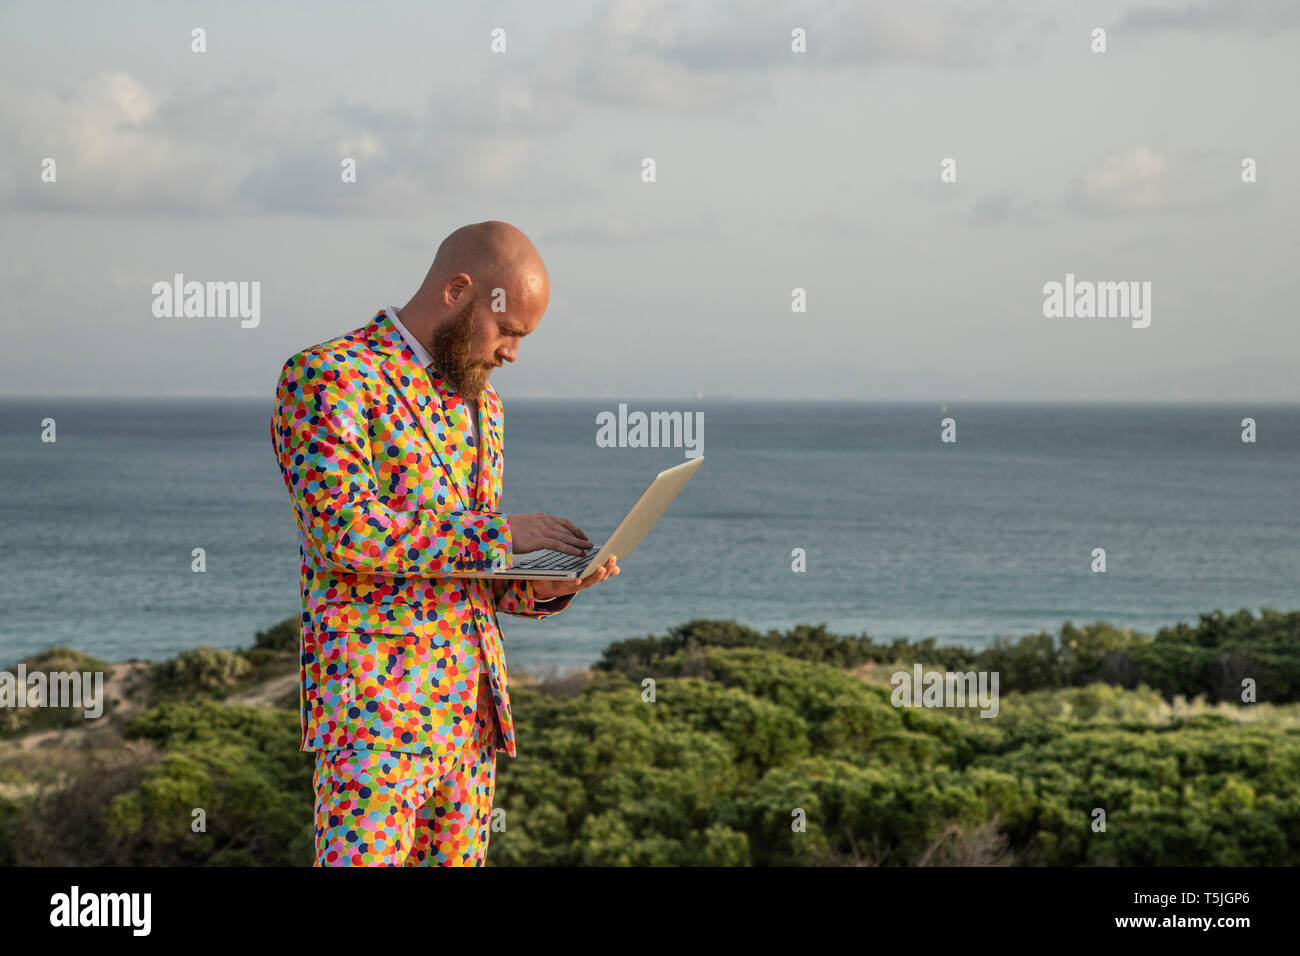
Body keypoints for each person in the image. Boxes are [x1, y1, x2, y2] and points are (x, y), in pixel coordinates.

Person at [270, 220, 619, 866]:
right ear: (458, 291)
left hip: (471, 721)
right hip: (374, 719)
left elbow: (464, 570)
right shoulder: (328, 377)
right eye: (508, 329)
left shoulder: (484, 403)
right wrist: (502, 533)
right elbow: (344, 533)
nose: (512, 353)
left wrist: (543, 585)